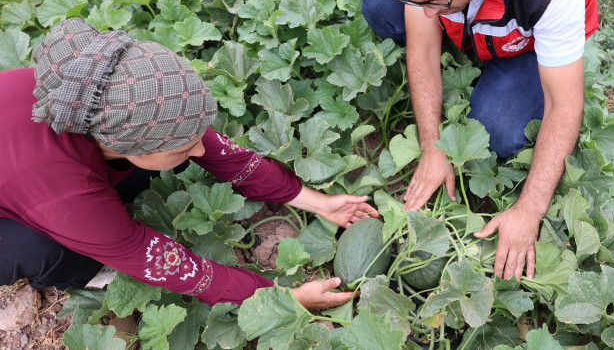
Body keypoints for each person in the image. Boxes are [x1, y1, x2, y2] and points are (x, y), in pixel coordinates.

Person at [0, 18, 378, 309]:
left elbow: (214, 148)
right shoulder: (66, 195)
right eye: (186, 144)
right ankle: (87, 266)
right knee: (41, 248)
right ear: (126, 144)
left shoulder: (104, 96)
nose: (201, 150)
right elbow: (163, 262)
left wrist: (316, 201)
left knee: (169, 160)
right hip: (24, 202)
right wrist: (280, 297)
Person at [361, 0, 598, 280]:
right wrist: (432, 145)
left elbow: (564, 105)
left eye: (435, 0)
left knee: (500, 131)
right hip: (473, 10)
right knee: (377, 3)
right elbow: (421, 48)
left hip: (527, 44)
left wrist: (529, 210)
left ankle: (498, 55)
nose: (426, 15)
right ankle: (461, 25)